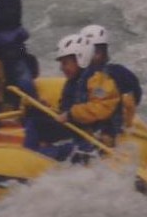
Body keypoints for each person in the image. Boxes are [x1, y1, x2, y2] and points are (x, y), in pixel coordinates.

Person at [23, 33, 122, 162]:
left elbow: (101, 107)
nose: (62, 68)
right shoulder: (73, 81)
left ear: (80, 59)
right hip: (76, 128)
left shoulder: (98, 81)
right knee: (35, 121)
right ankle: (28, 155)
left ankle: (40, 158)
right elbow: (66, 108)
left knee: (69, 151)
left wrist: (71, 114)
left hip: (93, 135)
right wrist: (50, 109)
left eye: (65, 63)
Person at [79, 24, 142, 127]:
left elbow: (135, 94)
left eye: (96, 52)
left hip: (111, 122)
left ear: (104, 53)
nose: (90, 57)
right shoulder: (82, 76)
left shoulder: (118, 74)